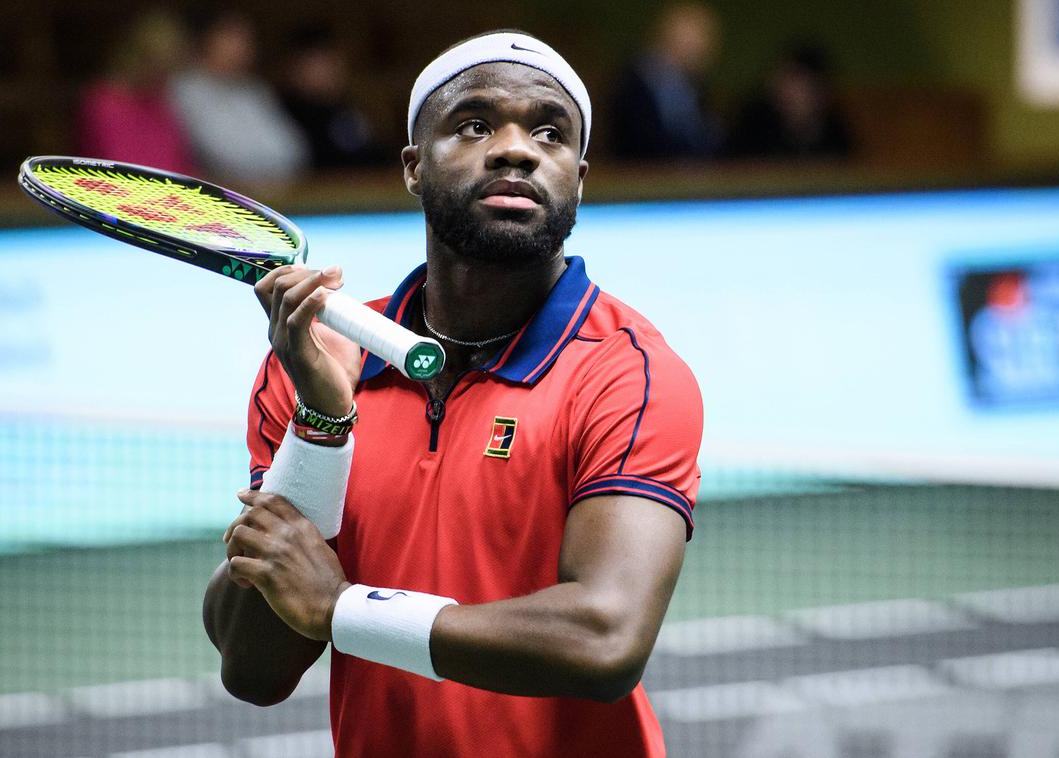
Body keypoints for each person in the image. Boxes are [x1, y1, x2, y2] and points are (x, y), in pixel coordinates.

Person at [204, 30, 703, 758]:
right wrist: (321, 426)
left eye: (548, 132)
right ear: (413, 166)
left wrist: (342, 610)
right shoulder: (315, 360)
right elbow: (253, 669)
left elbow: (606, 636)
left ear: (579, 174)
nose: (515, 149)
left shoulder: (625, 374)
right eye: (475, 125)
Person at [169, 10, 310, 183]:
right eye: (231, 37)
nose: (242, 46)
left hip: (277, 192)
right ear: (204, 41)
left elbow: (293, 150)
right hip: (218, 196)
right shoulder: (186, 89)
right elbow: (224, 156)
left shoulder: (255, 89)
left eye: (246, 39)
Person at [76, 9, 196, 174]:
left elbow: (180, 163)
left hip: (167, 194)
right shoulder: (102, 104)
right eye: (159, 66)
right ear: (137, 57)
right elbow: (122, 169)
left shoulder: (159, 101)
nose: (166, 75)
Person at [609, 3, 722, 161]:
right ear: (673, 34)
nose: (705, 46)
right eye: (699, 36)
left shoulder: (695, 87)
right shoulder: (634, 84)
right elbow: (643, 145)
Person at [277, 27, 384, 170]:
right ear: (296, 69)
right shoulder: (283, 116)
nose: (332, 70)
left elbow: (375, 155)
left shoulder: (346, 109)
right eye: (319, 63)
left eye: (334, 61)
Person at [726, 42, 854, 160]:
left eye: (794, 78)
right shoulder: (753, 122)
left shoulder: (834, 128)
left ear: (818, 89)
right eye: (782, 77)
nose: (779, 86)